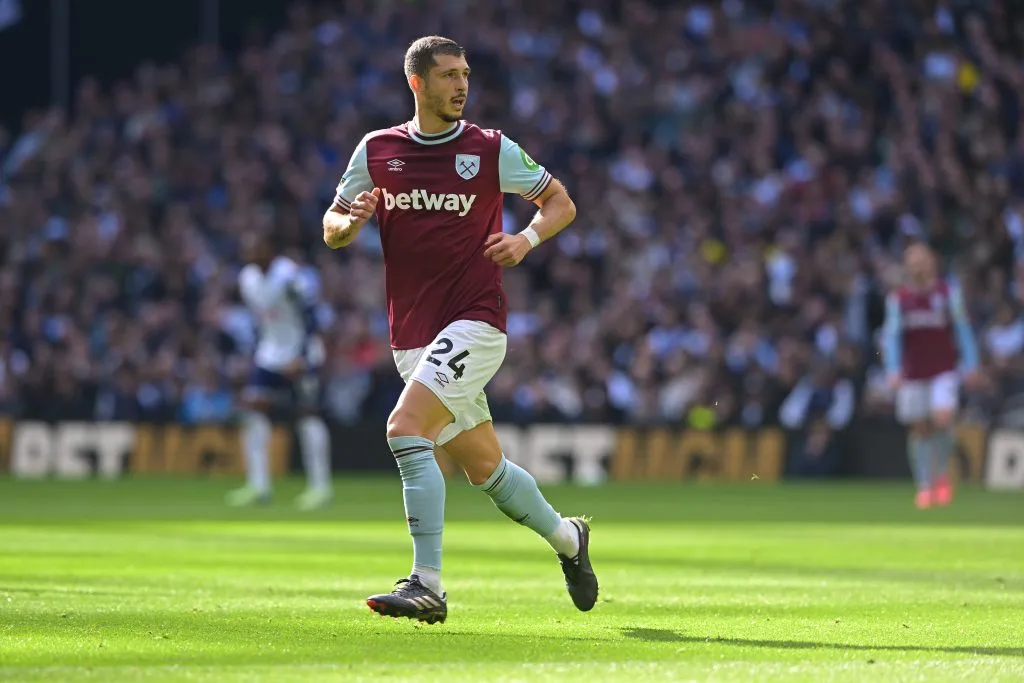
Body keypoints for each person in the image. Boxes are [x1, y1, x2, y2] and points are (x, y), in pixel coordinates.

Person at [322, 36, 596, 624]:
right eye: (447, 75)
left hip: (476, 321)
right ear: (416, 83)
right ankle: (570, 538)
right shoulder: (378, 150)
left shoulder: (489, 148)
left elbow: (560, 203)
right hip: (412, 335)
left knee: (404, 428)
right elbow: (333, 221)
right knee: (486, 470)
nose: (461, 85)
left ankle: (428, 583)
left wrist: (525, 239)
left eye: (465, 74)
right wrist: (348, 224)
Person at [226, 233, 334, 510]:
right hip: (269, 354)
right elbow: (260, 320)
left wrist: (302, 356)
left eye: (258, 247)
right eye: (249, 249)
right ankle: (258, 485)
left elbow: (312, 317)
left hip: (300, 353)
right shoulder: (247, 279)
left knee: (307, 415)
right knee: (254, 412)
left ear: (270, 249)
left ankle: (320, 487)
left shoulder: (289, 277)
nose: (253, 253)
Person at [882, 243, 980, 509]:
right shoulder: (898, 299)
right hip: (913, 372)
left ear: (931, 263)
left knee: (942, 418)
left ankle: (942, 475)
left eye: (920, 261)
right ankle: (924, 485)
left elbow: (962, 328)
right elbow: (891, 336)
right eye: (911, 262)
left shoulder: (948, 293)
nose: (916, 267)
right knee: (920, 428)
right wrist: (892, 369)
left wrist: (971, 363)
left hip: (943, 370)